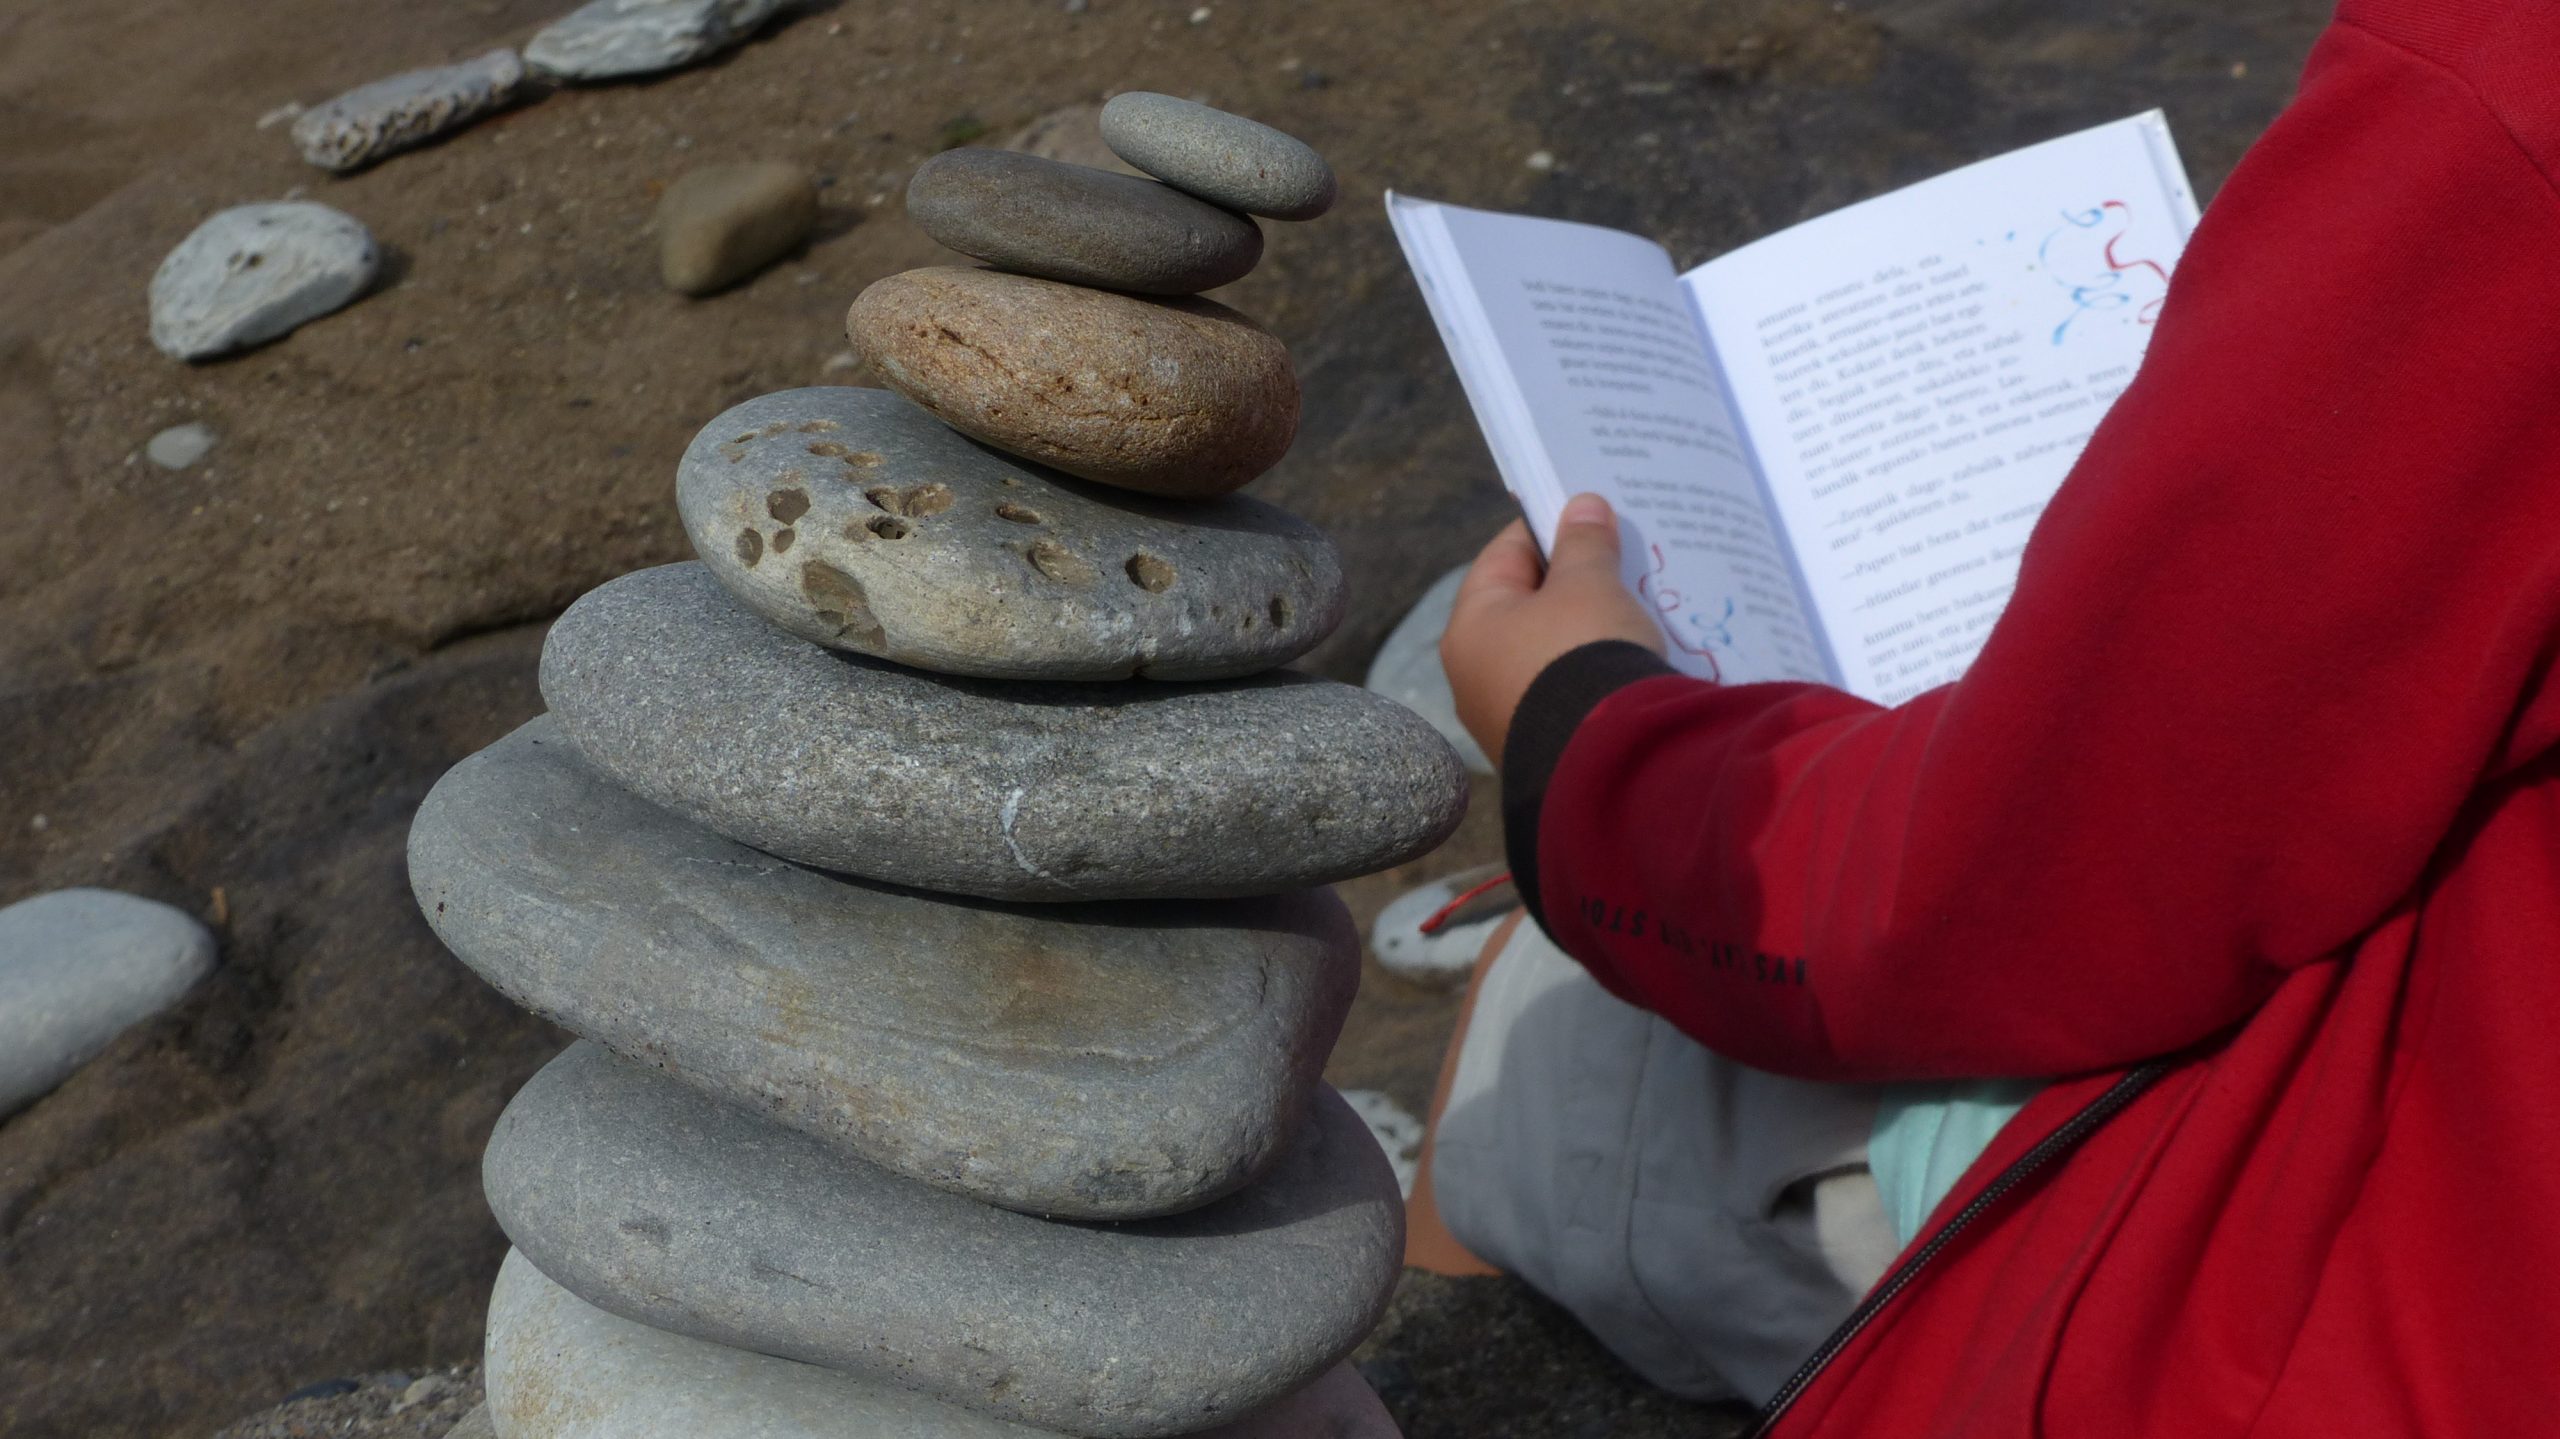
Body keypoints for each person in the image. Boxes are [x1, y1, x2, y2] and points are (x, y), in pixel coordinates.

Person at [1408, 0, 2560, 1432]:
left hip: (2400, 1318)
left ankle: (1449, 1333)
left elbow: (2016, 887)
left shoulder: (2512, 109)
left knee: (1557, 1021)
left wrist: (1579, 740)